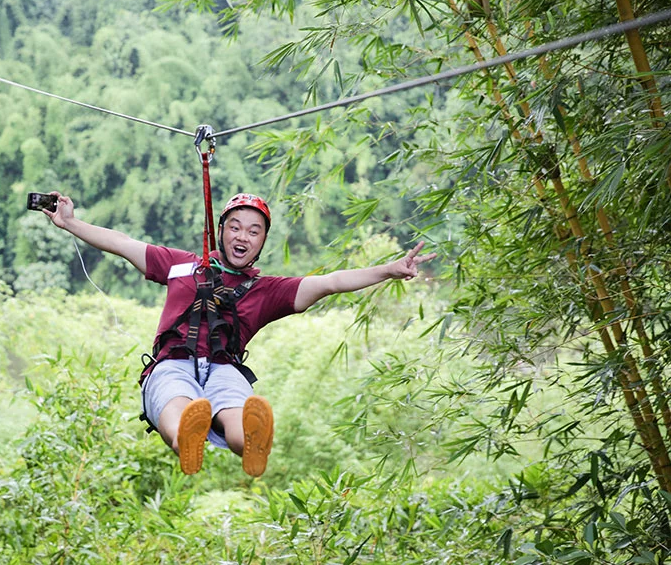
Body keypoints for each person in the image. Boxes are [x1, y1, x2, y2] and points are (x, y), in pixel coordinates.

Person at [44, 192, 436, 477]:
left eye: (253, 230)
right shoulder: (180, 265)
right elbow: (122, 243)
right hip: (172, 364)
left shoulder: (269, 291)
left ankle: (250, 442)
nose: (242, 236)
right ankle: (187, 438)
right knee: (174, 398)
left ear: (262, 241)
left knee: (233, 406)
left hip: (223, 368)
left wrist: (388, 269)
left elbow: (331, 281)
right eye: (235, 226)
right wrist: (70, 222)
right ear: (221, 231)